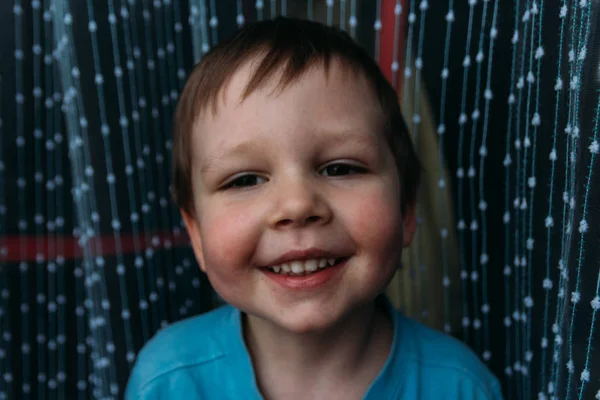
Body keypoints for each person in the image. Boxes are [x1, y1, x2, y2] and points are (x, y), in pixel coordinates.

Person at [125, 17, 503, 400]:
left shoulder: (460, 387)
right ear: (196, 235)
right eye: (245, 180)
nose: (297, 205)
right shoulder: (166, 380)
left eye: (340, 168)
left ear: (405, 208)